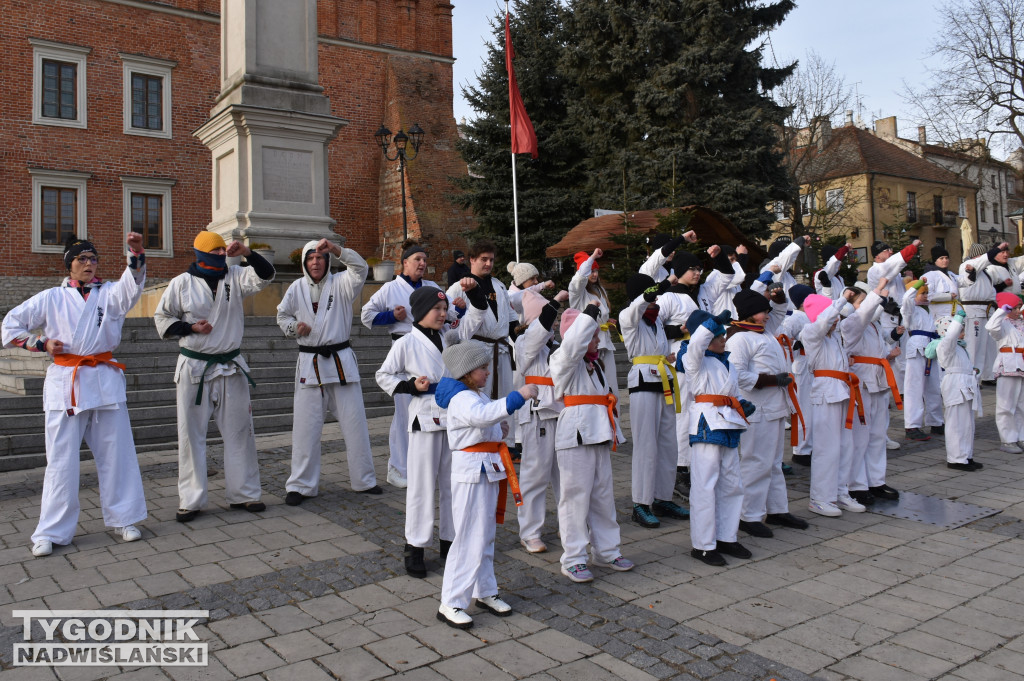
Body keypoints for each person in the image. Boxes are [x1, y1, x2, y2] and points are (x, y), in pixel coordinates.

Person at [3, 233, 148, 557]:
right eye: (82, 259)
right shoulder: (51, 298)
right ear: (69, 264)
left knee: (117, 454)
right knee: (60, 461)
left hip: (104, 379)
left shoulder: (110, 293)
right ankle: (51, 531)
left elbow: (133, 282)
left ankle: (124, 518)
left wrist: (135, 253)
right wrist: (40, 344)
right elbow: (10, 326)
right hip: (66, 380)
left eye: (93, 258)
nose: (88, 263)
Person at [154, 232, 275, 522]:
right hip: (194, 367)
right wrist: (191, 328)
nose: (222, 253)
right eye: (216, 249)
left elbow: (266, 275)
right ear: (202, 253)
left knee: (240, 431)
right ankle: (192, 500)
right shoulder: (181, 283)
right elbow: (162, 319)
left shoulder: (235, 276)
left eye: (224, 248)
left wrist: (246, 251)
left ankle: (244, 493)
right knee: (190, 434)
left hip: (230, 365)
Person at [433, 339, 537, 629]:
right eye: (482, 367)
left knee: (485, 534)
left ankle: (484, 590)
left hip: (486, 469)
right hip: (471, 473)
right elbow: (481, 417)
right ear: (466, 371)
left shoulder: (473, 394)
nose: (488, 372)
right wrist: (518, 396)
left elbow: (486, 420)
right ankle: (451, 601)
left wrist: (498, 428)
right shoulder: (462, 398)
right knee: (468, 536)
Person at [277, 239, 380, 505]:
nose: (315, 262)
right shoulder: (296, 287)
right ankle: (300, 485)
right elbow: (282, 316)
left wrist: (337, 249)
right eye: (310, 258)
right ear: (304, 263)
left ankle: (364, 480)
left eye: (320, 257)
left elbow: (360, 269)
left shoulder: (343, 283)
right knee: (305, 428)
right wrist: (293, 328)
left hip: (340, 361)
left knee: (355, 424)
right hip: (310, 363)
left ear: (328, 261)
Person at [549, 305, 633, 583]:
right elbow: (572, 343)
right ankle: (573, 558)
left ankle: (607, 550)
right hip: (576, 435)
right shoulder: (563, 358)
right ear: (580, 336)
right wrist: (589, 313)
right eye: (593, 336)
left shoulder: (595, 364)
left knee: (602, 495)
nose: (598, 341)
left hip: (598, 431)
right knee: (574, 497)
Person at [376, 287, 455, 577]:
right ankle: (416, 546)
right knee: (422, 484)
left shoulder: (450, 338)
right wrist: (411, 386)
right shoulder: (406, 342)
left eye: (445, 309)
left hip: (453, 415)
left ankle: (450, 540)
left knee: (452, 483)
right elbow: (383, 374)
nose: (443, 314)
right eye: (438, 309)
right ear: (422, 312)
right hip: (424, 416)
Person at [361, 242, 450, 488]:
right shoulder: (390, 288)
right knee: (404, 415)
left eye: (424, 259)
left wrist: (457, 311)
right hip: (404, 347)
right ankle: (398, 468)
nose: (422, 263)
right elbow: (366, 315)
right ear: (405, 262)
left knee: (429, 412)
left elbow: (450, 313)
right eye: (417, 259)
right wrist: (392, 316)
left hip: (432, 346)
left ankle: (427, 466)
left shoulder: (432, 287)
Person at [726, 288, 808, 539]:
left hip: (774, 407)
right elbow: (736, 374)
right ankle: (748, 515)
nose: (767, 315)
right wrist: (773, 380)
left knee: (772, 462)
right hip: (756, 409)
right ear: (750, 313)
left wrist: (779, 299)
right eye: (763, 311)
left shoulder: (764, 333)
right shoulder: (739, 339)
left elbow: (778, 312)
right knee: (755, 462)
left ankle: (776, 509)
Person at [800, 282, 883, 518]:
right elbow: (823, 322)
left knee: (846, 446)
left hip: (844, 392)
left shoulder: (836, 337)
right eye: (831, 316)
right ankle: (820, 497)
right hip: (825, 394)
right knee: (827, 448)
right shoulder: (811, 334)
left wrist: (877, 293)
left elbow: (858, 320)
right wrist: (841, 300)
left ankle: (841, 491)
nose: (836, 321)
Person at [680, 308, 755, 566]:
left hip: (729, 424)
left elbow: (730, 392)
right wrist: (711, 323)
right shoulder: (695, 360)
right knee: (705, 484)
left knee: (732, 483)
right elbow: (696, 343)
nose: (724, 339)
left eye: (723, 335)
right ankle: (702, 544)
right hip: (706, 425)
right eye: (718, 336)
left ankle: (726, 536)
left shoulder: (728, 364)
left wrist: (742, 404)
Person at [619, 274, 689, 528]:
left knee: (668, 444)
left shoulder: (657, 319)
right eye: (651, 295)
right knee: (646, 444)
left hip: (664, 380)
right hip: (643, 380)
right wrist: (649, 293)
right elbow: (638, 304)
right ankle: (641, 502)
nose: (656, 299)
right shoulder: (629, 316)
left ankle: (663, 497)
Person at [513, 288, 568, 553]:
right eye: (550, 317)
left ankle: (568, 523)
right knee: (535, 475)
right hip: (537, 414)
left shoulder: (555, 344)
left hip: (561, 412)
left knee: (566, 476)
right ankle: (530, 531)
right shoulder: (525, 342)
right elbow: (538, 331)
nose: (554, 322)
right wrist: (555, 302)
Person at [446, 241, 515, 436]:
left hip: (500, 348)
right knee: (482, 397)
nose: (488, 264)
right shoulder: (460, 286)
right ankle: (485, 437)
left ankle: (507, 442)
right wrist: (457, 310)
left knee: (505, 395)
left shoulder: (499, 285)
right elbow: (448, 315)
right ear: (472, 260)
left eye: (491, 260)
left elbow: (509, 318)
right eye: (483, 259)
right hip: (476, 350)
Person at [843, 282, 902, 507]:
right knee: (860, 437)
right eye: (860, 302)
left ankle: (876, 480)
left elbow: (877, 349)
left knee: (878, 434)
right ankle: (856, 485)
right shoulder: (851, 323)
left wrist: (889, 355)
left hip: (878, 379)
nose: (866, 306)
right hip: (861, 383)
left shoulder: (874, 326)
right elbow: (865, 313)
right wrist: (879, 291)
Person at [929, 311, 982, 471]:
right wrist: (958, 319)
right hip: (955, 385)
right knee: (956, 423)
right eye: (961, 330)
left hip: (965, 385)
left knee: (967, 424)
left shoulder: (959, 348)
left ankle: (966, 456)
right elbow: (950, 336)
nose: (963, 333)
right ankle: (956, 459)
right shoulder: (945, 344)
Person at [569, 248, 620, 397]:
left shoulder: (600, 289)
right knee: (594, 384)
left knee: (611, 384)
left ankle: (613, 415)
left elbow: (600, 314)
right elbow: (578, 279)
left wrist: (606, 321)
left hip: (604, 342)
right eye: (591, 271)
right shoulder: (577, 292)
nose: (595, 274)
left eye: (596, 270)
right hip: (587, 344)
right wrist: (591, 257)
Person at [959, 242, 1011, 383]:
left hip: (988, 309)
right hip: (973, 309)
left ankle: (988, 375)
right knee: (973, 344)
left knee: (988, 345)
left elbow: (997, 278)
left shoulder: (986, 269)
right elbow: (983, 261)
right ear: (977, 255)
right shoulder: (967, 265)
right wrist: (997, 249)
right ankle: (971, 376)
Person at [901, 280, 944, 441]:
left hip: (931, 347)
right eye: (922, 293)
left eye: (926, 293)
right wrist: (917, 285)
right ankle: (912, 426)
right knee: (914, 388)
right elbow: (906, 298)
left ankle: (936, 422)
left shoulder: (929, 310)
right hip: (917, 348)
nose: (925, 296)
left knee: (934, 386)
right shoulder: (909, 308)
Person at [779, 284, 815, 466]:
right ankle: (801, 449)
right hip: (800, 365)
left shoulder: (812, 316)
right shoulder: (793, 318)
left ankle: (811, 444)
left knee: (813, 408)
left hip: (813, 365)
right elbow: (783, 341)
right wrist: (797, 343)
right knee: (804, 407)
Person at [986, 292, 1024, 452]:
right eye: (1013, 308)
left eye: (1018, 307)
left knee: (1022, 405)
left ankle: (1021, 436)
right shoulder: (1002, 324)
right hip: (1008, 365)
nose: (1016, 311)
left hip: (1022, 365)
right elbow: (991, 327)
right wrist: (1002, 310)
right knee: (1006, 405)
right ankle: (1007, 439)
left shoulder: (1022, 322)